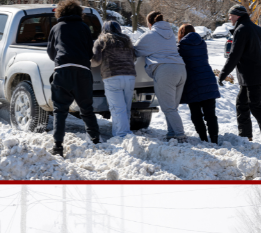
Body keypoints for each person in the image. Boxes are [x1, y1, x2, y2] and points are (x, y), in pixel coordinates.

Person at [47, 0, 101, 157]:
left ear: (60, 12)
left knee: (60, 110)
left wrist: (61, 60)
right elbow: (89, 52)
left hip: (62, 71)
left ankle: (58, 146)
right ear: (78, 12)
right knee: (87, 109)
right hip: (83, 71)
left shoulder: (56, 28)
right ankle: (96, 140)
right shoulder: (84, 27)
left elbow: (50, 52)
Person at [217, 5, 261, 143]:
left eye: (231, 15)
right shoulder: (258, 29)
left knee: (255, 106)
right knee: (242, 104)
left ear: (238, 16)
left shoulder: (241, 29)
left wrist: (222, 74)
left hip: (252, 76)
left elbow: (234, 56)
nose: (229, 18)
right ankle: (245, 136)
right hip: (254, 75)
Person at [134, 11, 188, 142]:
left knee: (168, 108)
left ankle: (180, 135)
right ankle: (171, 133)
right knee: (172, 107)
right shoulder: (170, 34)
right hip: (181, 69)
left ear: (150, 23)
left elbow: (135, 51)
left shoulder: (150, 34)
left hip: (165, 71)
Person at [90, 20, 136, 138]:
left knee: (117, 109)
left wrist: (87, 62)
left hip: (112, 77)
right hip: (130, 76)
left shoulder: (101, 41)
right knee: (126, 109)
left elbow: (96, 61)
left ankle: (122, 136)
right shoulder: (127, 41)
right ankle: (123, 135)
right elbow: (133, 57)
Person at [177, 24, 221, 144]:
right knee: (210, 115)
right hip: (208, 79)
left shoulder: (181, 46)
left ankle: (203, 138)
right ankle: (214, 139)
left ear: (181, 33)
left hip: (192, 82)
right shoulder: (202, 43)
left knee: (196, 115)